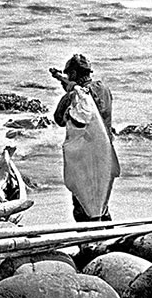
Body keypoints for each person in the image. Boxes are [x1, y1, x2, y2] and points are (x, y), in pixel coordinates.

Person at [51, 54, 120, 222]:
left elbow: (59, 119)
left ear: (73, 74)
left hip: (85, 157)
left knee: (82, 207)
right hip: (105, 155)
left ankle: (88, 245)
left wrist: (70, 92)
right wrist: (69, 86)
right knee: (101, 203)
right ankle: (107, 240)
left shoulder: (78, 95)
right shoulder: (103, 89)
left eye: (68, 75)